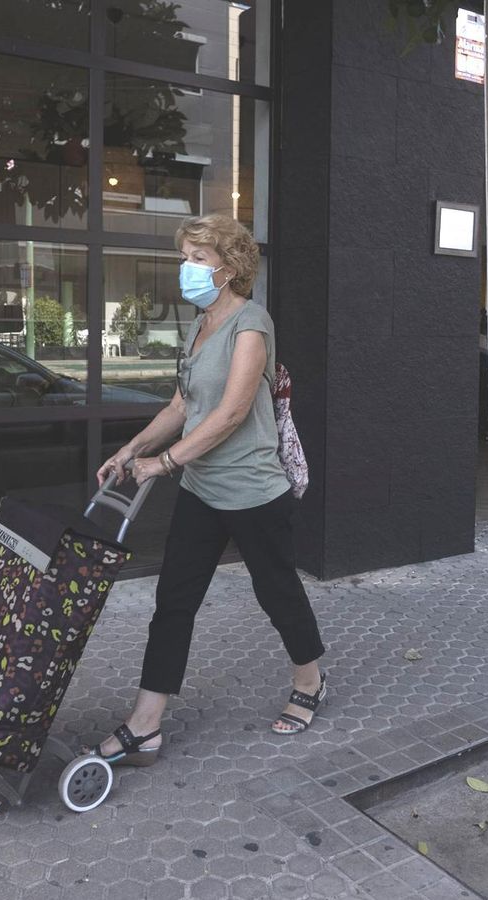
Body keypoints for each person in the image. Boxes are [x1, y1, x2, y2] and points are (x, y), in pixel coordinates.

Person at [86, 213, 327, 767]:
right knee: (173, 602)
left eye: (197, 258)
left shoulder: (251, 324)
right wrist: (130, 451)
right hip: (202, 487)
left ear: (229, 268)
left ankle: (310, 680)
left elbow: (231, 413)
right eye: (186, 257)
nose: (185, 268)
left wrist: (162, 464)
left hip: (252, 490)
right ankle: (145, 726)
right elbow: (183, 406)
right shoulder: (199, 327)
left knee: (277, 593)